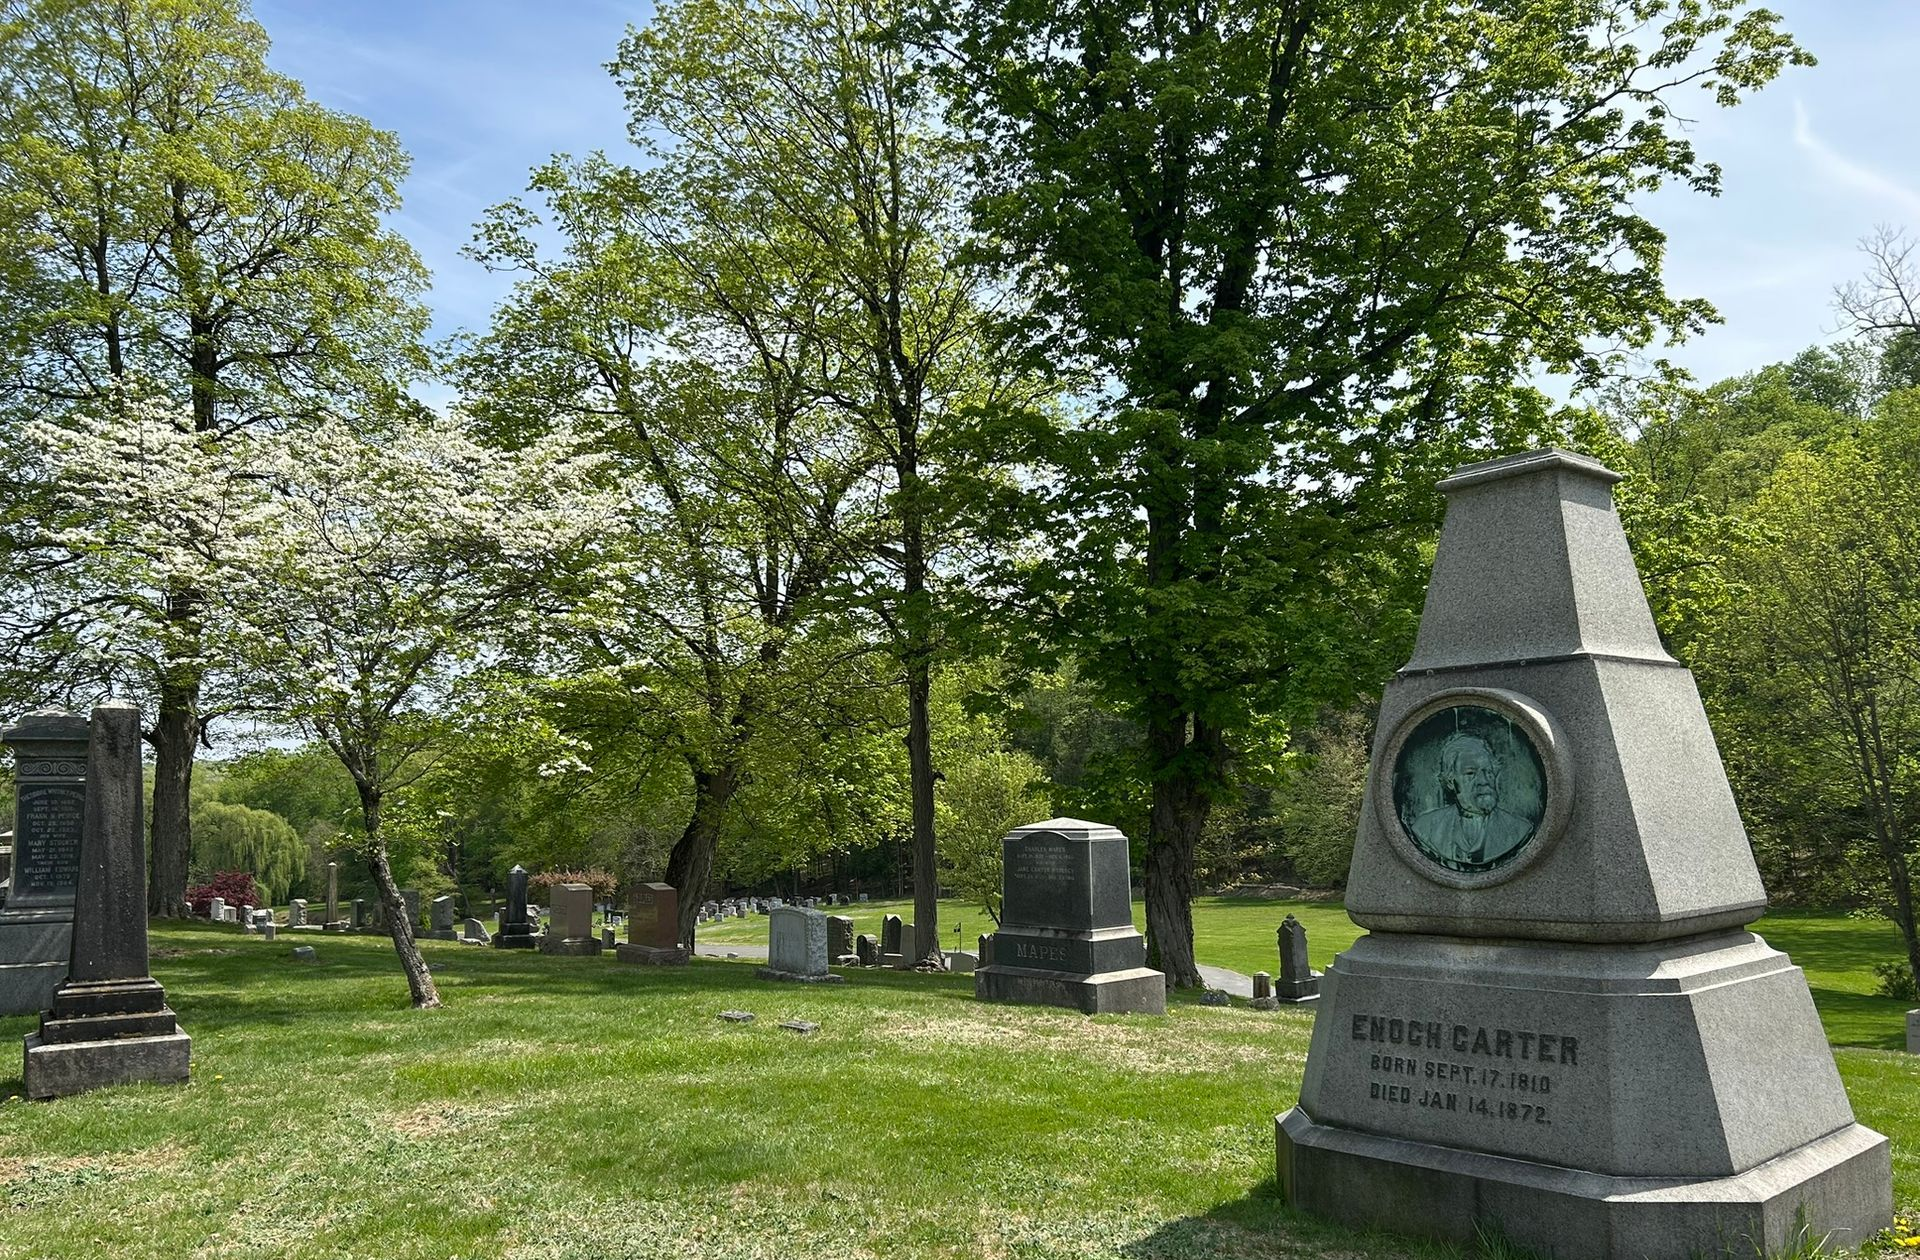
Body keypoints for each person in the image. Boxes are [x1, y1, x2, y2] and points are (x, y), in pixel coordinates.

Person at [1408, 732, 1534, 869]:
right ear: (1451, 780)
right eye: (1470, 773)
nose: (1483, 781)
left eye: (1488, 772)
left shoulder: (1519, 829)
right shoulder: (1426, 828)